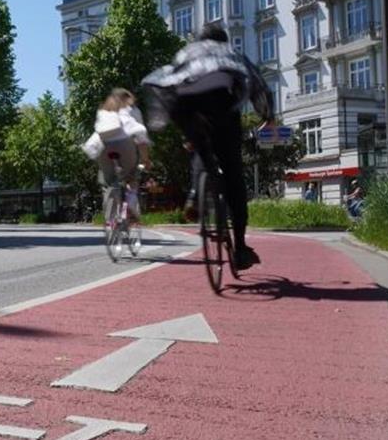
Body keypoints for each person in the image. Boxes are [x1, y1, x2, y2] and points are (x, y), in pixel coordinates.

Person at [142, 23, 274, 270]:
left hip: (185, 105)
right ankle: (241, 249)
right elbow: (257, 83)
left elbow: (171, 77)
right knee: (233, 174)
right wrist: (268, 114)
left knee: (201, 146)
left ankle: (195, 196)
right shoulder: (230, 52)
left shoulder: (187, 52)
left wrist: (162, 121)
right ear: (222, 40)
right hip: (219, 103)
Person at [94, 88, 152, 234]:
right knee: (131, 176)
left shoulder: (104, 110)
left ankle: (110, 216)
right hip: (125, 145)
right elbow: (140, 136)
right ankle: (131, 206)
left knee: (108, 182)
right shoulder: (133, 110)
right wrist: (145, 160)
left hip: (103, 147)